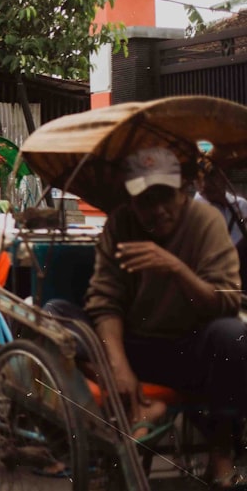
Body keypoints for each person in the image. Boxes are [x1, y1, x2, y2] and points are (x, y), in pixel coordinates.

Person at [46, 146, 247, 488]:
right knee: (55, 314)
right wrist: (119, 365)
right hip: (133, 346)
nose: (159, 211)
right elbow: (105, 299)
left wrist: (176, 269)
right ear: (131, 199)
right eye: (145, 200)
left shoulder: (205, 222)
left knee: (233, 334)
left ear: (182, 191)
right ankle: (139, 404)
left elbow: (225, 299)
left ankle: (220, 458)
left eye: (166, 197)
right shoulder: (122, 223)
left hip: (187, 347)